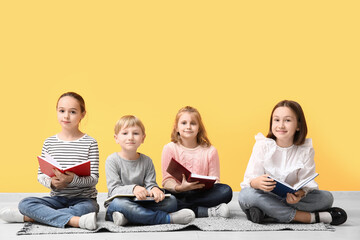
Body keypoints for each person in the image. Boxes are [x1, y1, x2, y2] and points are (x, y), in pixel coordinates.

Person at [0, 92, 100, 230]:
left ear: (82, 114)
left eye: (73, 112)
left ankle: (29, 217)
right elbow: (41, 175)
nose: (66, 116)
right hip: (56, 199)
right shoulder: (49, 142)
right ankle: (76, 221)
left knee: (89, 209)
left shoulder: (90, 142)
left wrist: (72, 180)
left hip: (84, 200)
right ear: (57, 112)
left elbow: (94, 179)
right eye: (62, 111)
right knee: (25, 203)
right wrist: (52, 183)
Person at [238, 100, 347, 225]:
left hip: (289, 199)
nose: (281, 125)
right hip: (264, 196)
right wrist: (255, 182)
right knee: (246, 195)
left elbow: (307, 182)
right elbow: (248, 181)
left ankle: (266, 213)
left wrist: (299, 195)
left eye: (287, 120)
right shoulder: (262, 146)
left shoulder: (305, 150)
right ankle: (306, 217)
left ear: (298, 125)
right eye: (276, 120)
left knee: (326, 198)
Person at [104, 115, 195, 226]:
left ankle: (129, 217)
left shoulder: (147, 161)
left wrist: (155, 189)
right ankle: (166, 219)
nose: (130, 137)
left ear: (143, 138)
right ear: (116, 138)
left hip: (142, 202)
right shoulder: (112, 160)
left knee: (171, 201)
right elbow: (114, 190)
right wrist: (134, 188)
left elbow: (150, 183)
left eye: (136, 133)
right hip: (120, 203)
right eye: (125, 133)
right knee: (120, 204)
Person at [161, 106, 233, 218]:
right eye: (184, 123)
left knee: (226, 191)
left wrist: (204, 186)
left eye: (193, 123)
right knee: (162, 195)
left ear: (199, 128)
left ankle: (183, 208)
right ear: (176, 128)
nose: (188, 127)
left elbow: (216, 180)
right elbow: (167, 180)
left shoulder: (210, 150)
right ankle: (204, 211)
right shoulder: (169, 148)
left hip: (202, 193)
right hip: (179, 193)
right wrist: (180, 188)